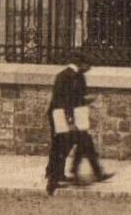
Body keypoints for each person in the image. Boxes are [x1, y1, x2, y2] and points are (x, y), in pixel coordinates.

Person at [44, 50, 110, 193]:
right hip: (61, 117)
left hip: (73, 116)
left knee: (84, 142)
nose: (90, 68)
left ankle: (85, 172)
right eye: (88, 65)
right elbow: (61, 101)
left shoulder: (79, 77)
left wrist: (89, 101)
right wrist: (70, 121)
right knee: (62, 147)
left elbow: (77, 98)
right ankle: (53, 178)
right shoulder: (64, 77)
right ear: (81, 64)